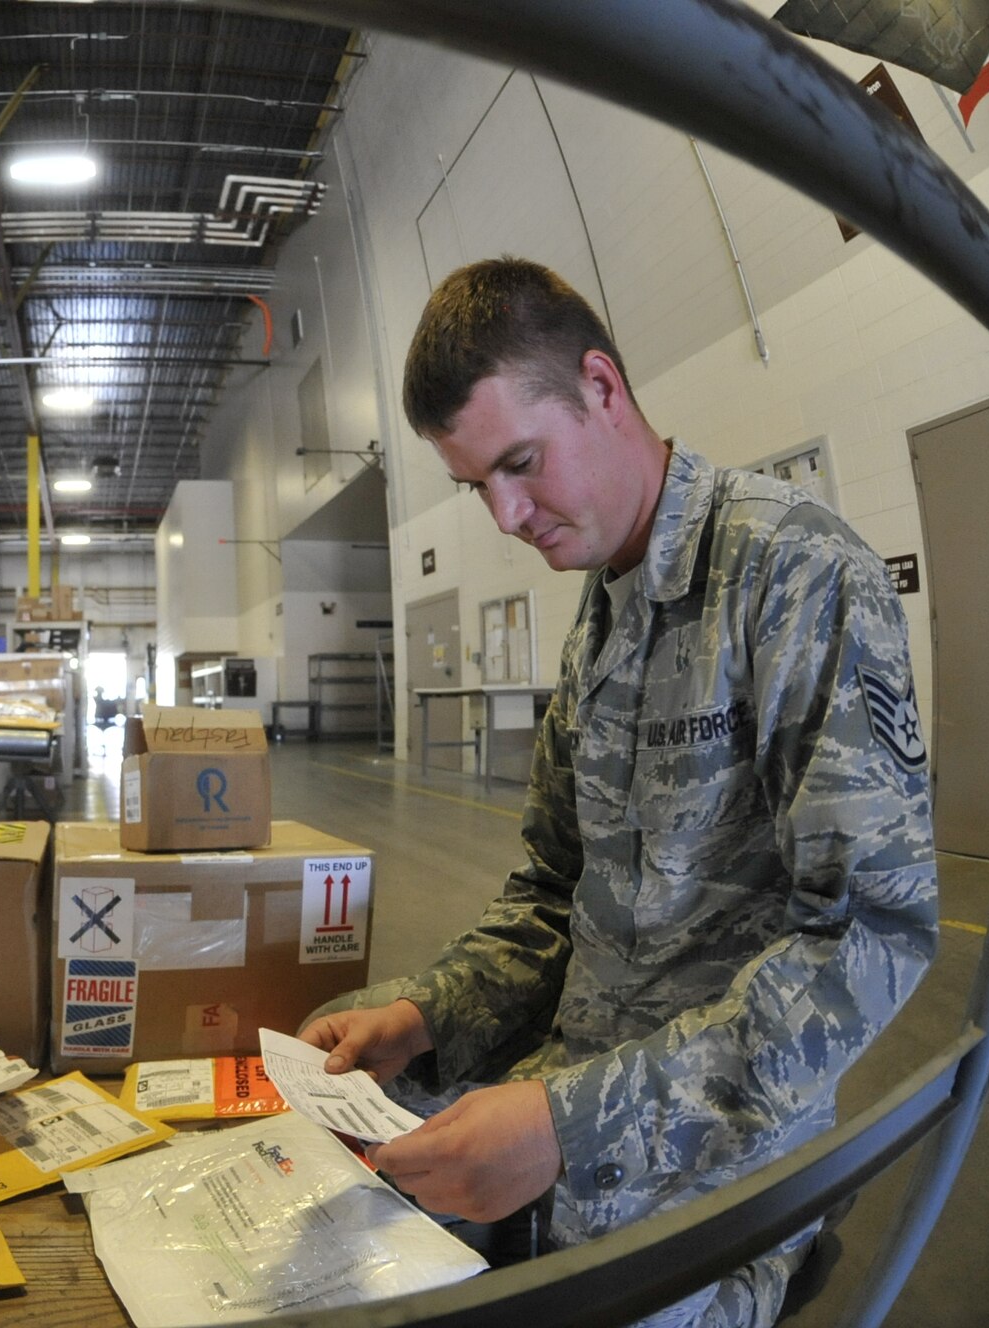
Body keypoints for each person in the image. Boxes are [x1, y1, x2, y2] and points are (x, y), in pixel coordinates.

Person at [300, 258, 937, 1327]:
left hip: (707, 1166)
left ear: (600, 385)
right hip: (562, 1092)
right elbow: (554, 888)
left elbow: (865, 941)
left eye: (517, 463)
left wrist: (565, 1124)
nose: (503, 513)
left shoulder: (794, 574)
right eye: (473, 486)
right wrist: (424, 1013)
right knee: (317, 1135)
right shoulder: (602, 610)